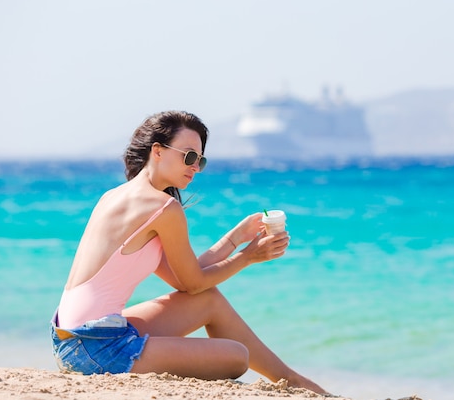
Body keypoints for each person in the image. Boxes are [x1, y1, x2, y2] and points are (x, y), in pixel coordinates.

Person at [50, 110, 325, 394]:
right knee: (237, 357)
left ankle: (289, 377)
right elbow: (192, 282)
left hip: (70, 338)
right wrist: (248, 257)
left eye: (200, 160)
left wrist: (235, 239)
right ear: (157, 151)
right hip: (95, 347)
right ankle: (289, 379)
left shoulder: (116, 196)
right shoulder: (163, 207)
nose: (195, 167)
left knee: (208, 301)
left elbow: (185, 279)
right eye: (189, 156)